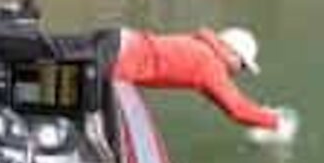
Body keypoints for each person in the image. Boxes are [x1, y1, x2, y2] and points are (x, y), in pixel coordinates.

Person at [109, 25, 297, 141]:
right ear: (231, 52)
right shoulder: (209, 64)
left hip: (119, 41)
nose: (240, 71)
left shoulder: (202, 48)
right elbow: (237, 110)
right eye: (243, 65)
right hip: (112, 62)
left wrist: (260, 113)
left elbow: (225, 98)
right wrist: (277, 123)